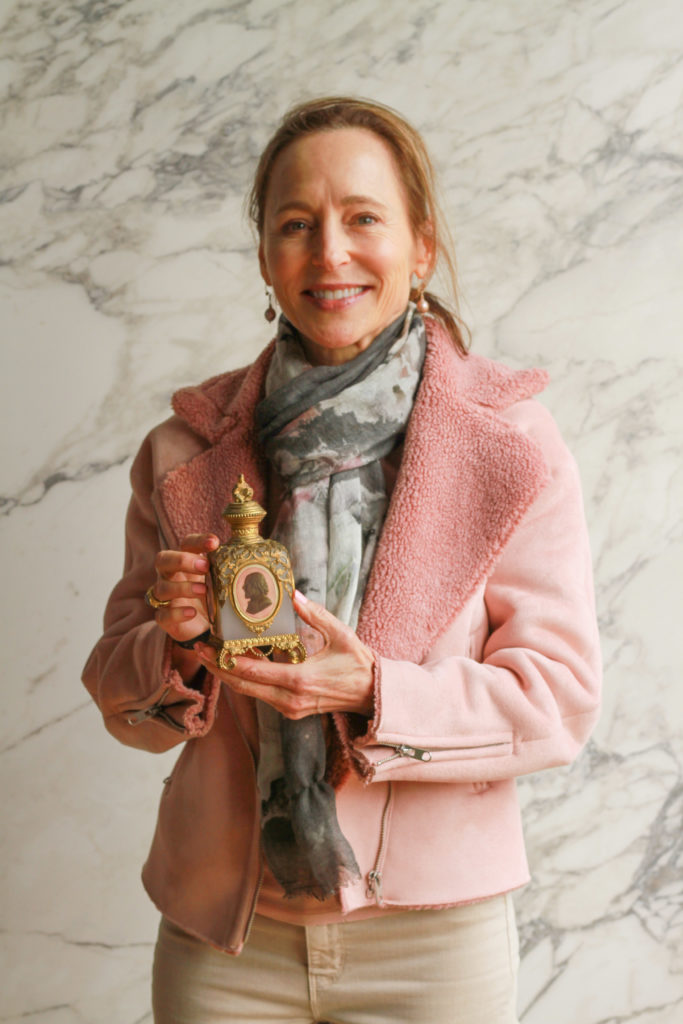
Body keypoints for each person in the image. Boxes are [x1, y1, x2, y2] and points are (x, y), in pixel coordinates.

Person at [82, 96, 601, 1024]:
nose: (329, 253)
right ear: (264, 257)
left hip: (433, 940)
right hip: (224, 936)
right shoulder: (182, 450)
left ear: (421, 246)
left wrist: (374, 691)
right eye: (296, 224)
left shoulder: (510, 445)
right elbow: (129, 712)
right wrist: (181, 647)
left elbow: (557, 699)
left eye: (363, 218)